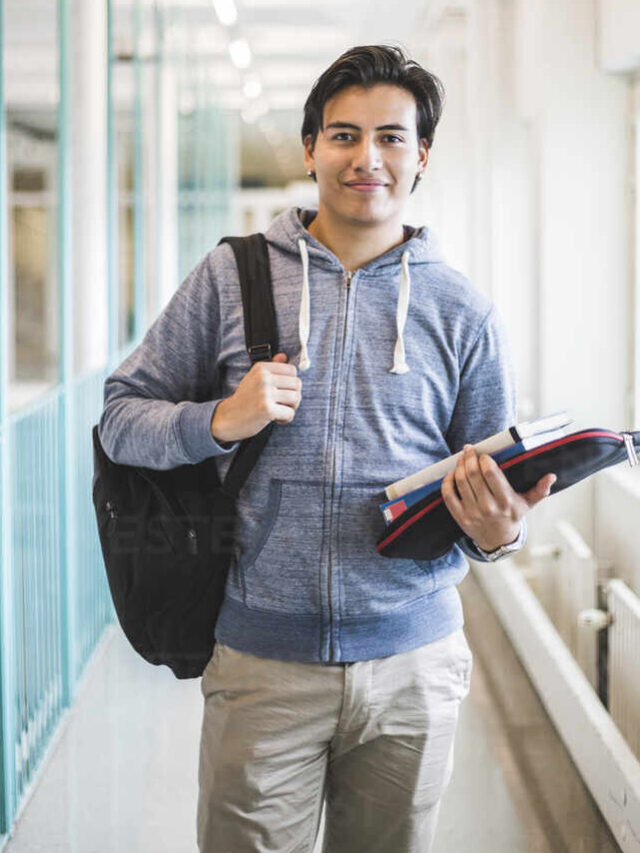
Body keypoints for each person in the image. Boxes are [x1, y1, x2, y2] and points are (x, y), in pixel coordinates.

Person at [99, 44, 556, 853]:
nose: (366, 157)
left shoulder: (464, 313)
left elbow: (496, 492)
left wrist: (501, 533)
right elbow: (121, 417)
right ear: (310, 149)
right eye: (343, 135)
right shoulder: (229, 277)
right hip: (261, 664)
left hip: (414, 666)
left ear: (422, 156)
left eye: (390, 137)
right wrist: (216, 421)